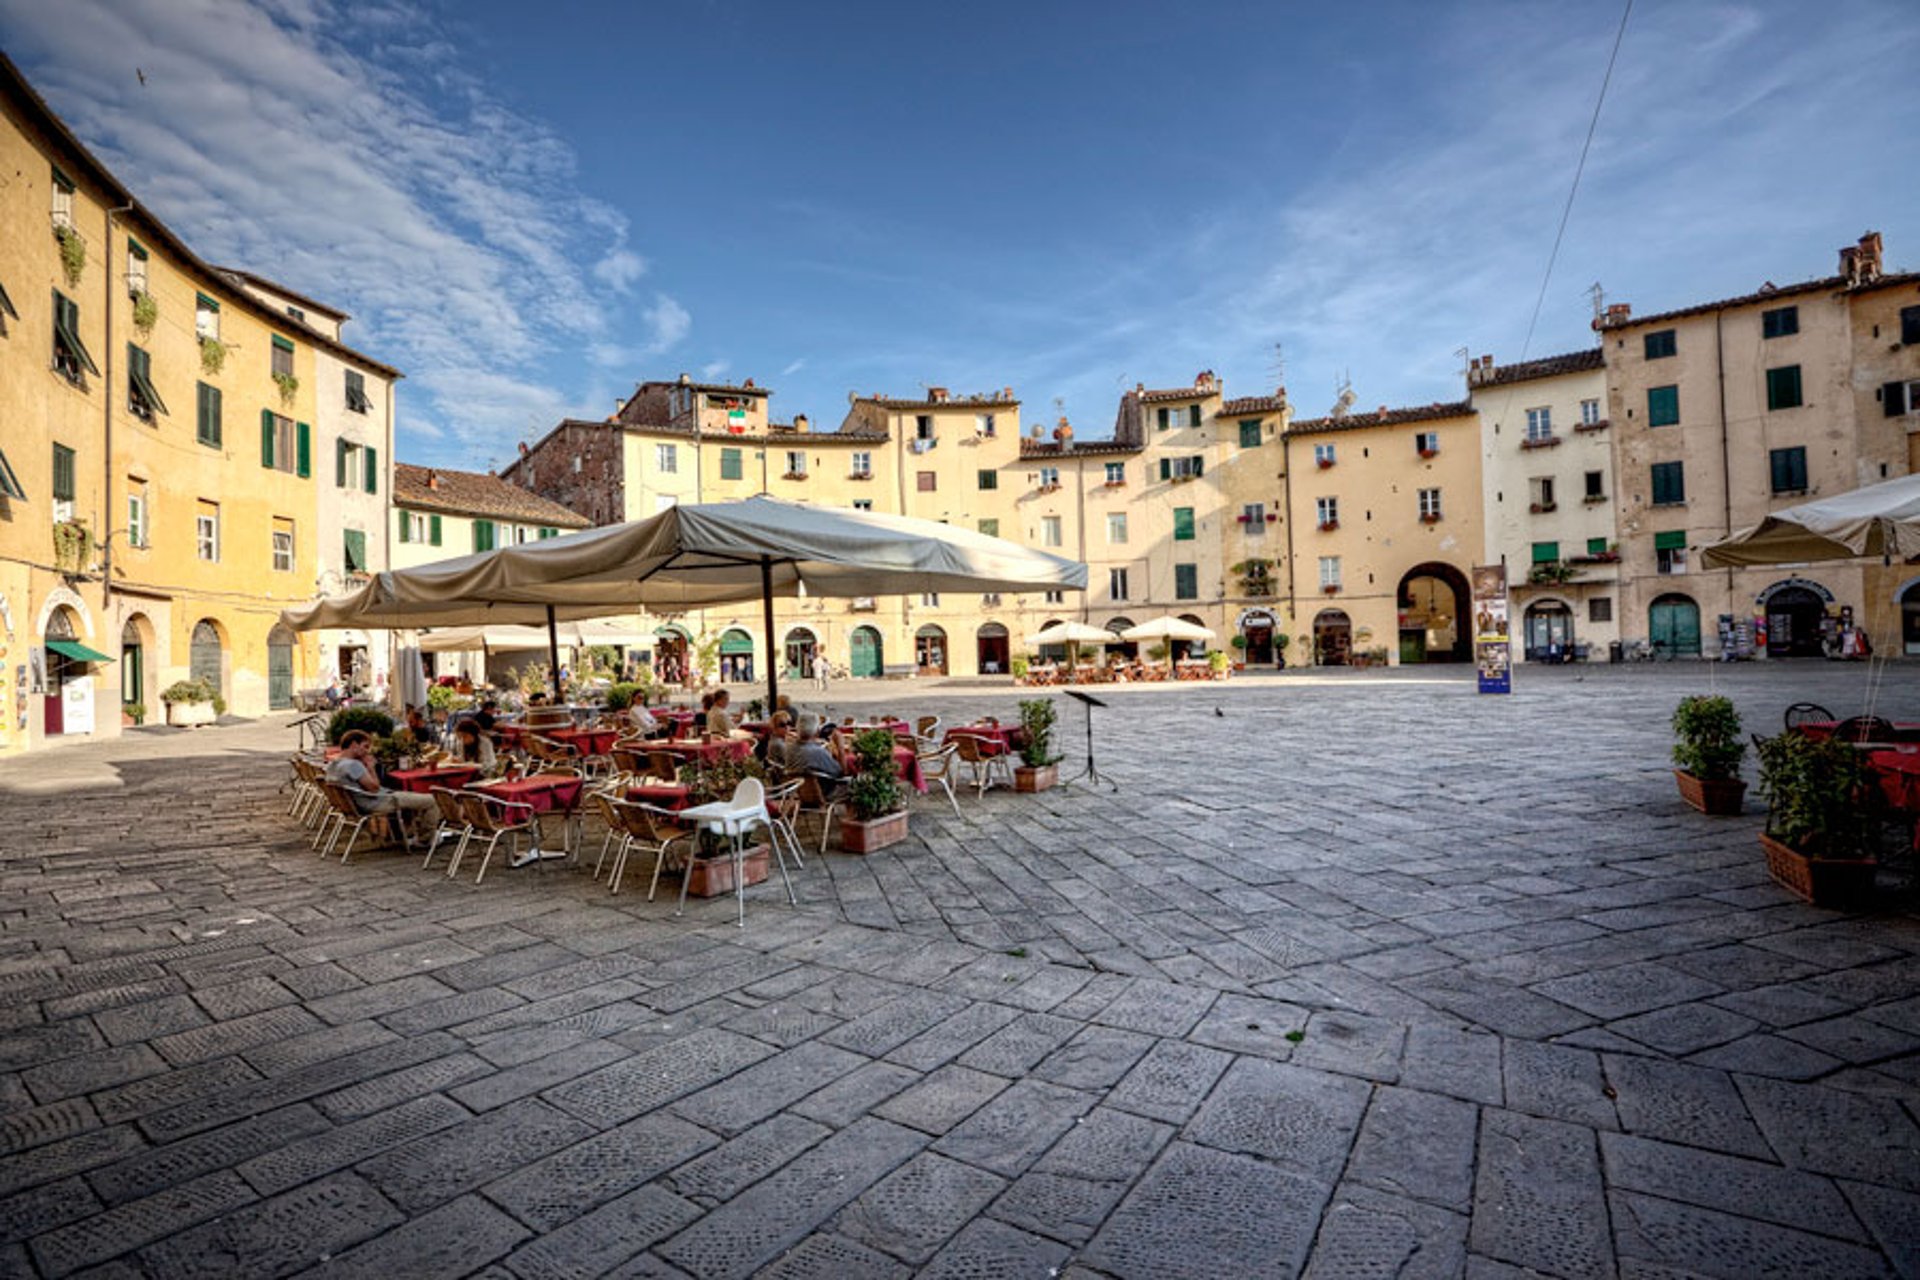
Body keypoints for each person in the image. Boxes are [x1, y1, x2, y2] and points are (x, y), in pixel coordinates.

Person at [324, 731, 435, 830]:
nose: (367, 751)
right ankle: (427, 837)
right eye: (365, 747)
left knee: (412, 799)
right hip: (377, 802)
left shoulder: (333, 765)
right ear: (354, 745)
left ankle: (411, 832)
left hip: (356, 804)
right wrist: (371, 768)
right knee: (431, 801)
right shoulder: (353, 765)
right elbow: (374, 788)